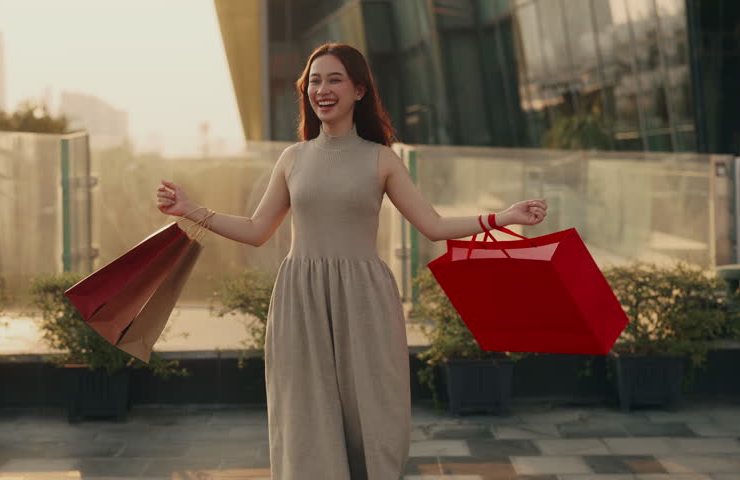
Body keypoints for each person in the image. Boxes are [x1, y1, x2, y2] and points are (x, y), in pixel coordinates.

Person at [156, 42, 548, 480]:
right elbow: (256, 230)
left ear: (359, 90)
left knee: (375, 415)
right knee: (304, 414)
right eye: (314, 82)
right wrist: (190, 210)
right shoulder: (292, 159)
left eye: (334, 79)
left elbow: (433, 225)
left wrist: (503, 217)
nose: (322, 90)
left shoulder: (381, 159)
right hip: (300, 299)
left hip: (365, 300)